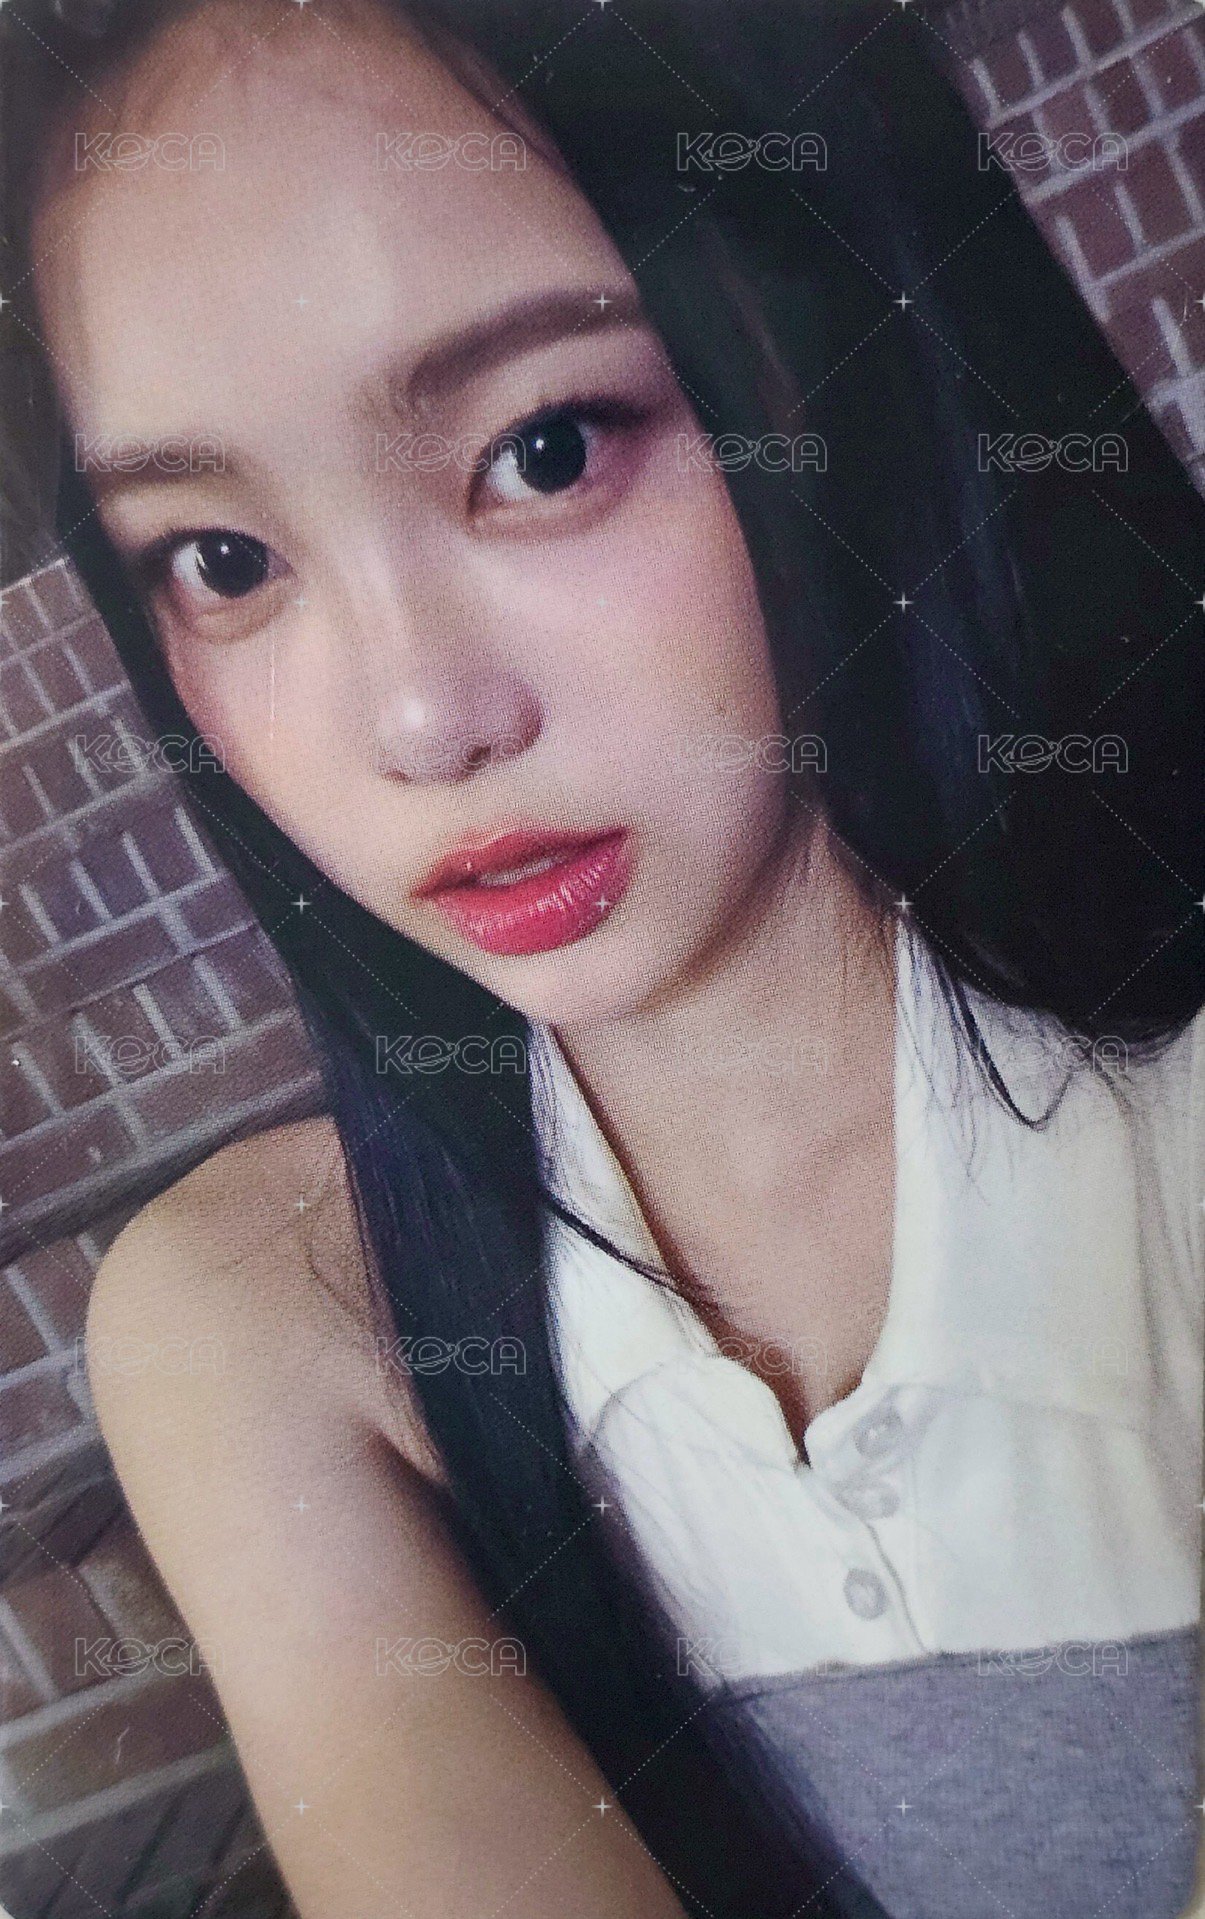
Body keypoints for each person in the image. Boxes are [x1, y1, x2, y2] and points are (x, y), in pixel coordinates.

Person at [5, 0, 1203, 1913]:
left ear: (831, 358)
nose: (420, 720)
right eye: (222, 561)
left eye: (544, 449)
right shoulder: (278, 1314)